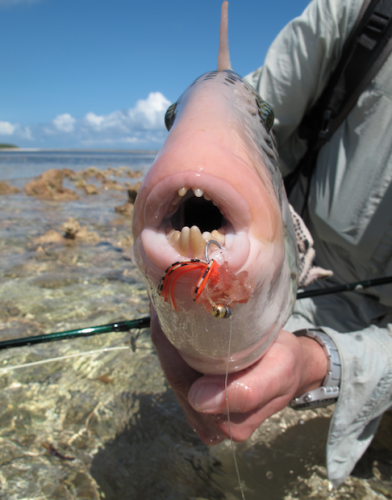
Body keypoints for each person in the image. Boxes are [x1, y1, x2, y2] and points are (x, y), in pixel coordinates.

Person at [151, 0, 392, 488]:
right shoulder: (360, 10)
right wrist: (164, 286)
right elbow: (237, 116)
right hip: (284, 278)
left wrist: (318, 365)